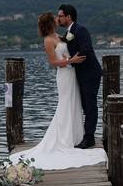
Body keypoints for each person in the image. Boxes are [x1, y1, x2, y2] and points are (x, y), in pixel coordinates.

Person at [10, 12, 106, 170]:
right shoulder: (48, 40)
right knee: (65, 103)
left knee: (75, 104)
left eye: (58, 16)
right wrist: (71, 60)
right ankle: (63, 138)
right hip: (64, 75)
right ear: (49, 22)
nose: (57, 19)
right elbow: (53, 62)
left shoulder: (59, 35)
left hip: (72, 73)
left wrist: (74, 59)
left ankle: (76, 136)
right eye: (55, 17)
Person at [57, 3, 103, 149]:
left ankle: (89, 138)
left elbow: (86, 49)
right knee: (84, 105)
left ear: (68, 17)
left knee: (90, 105)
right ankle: (83, 134)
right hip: (79, 74)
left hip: (90, 73)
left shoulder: (80, 30)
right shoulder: (67, 34)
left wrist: (71, 61)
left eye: (60, 16)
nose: (58, 19)